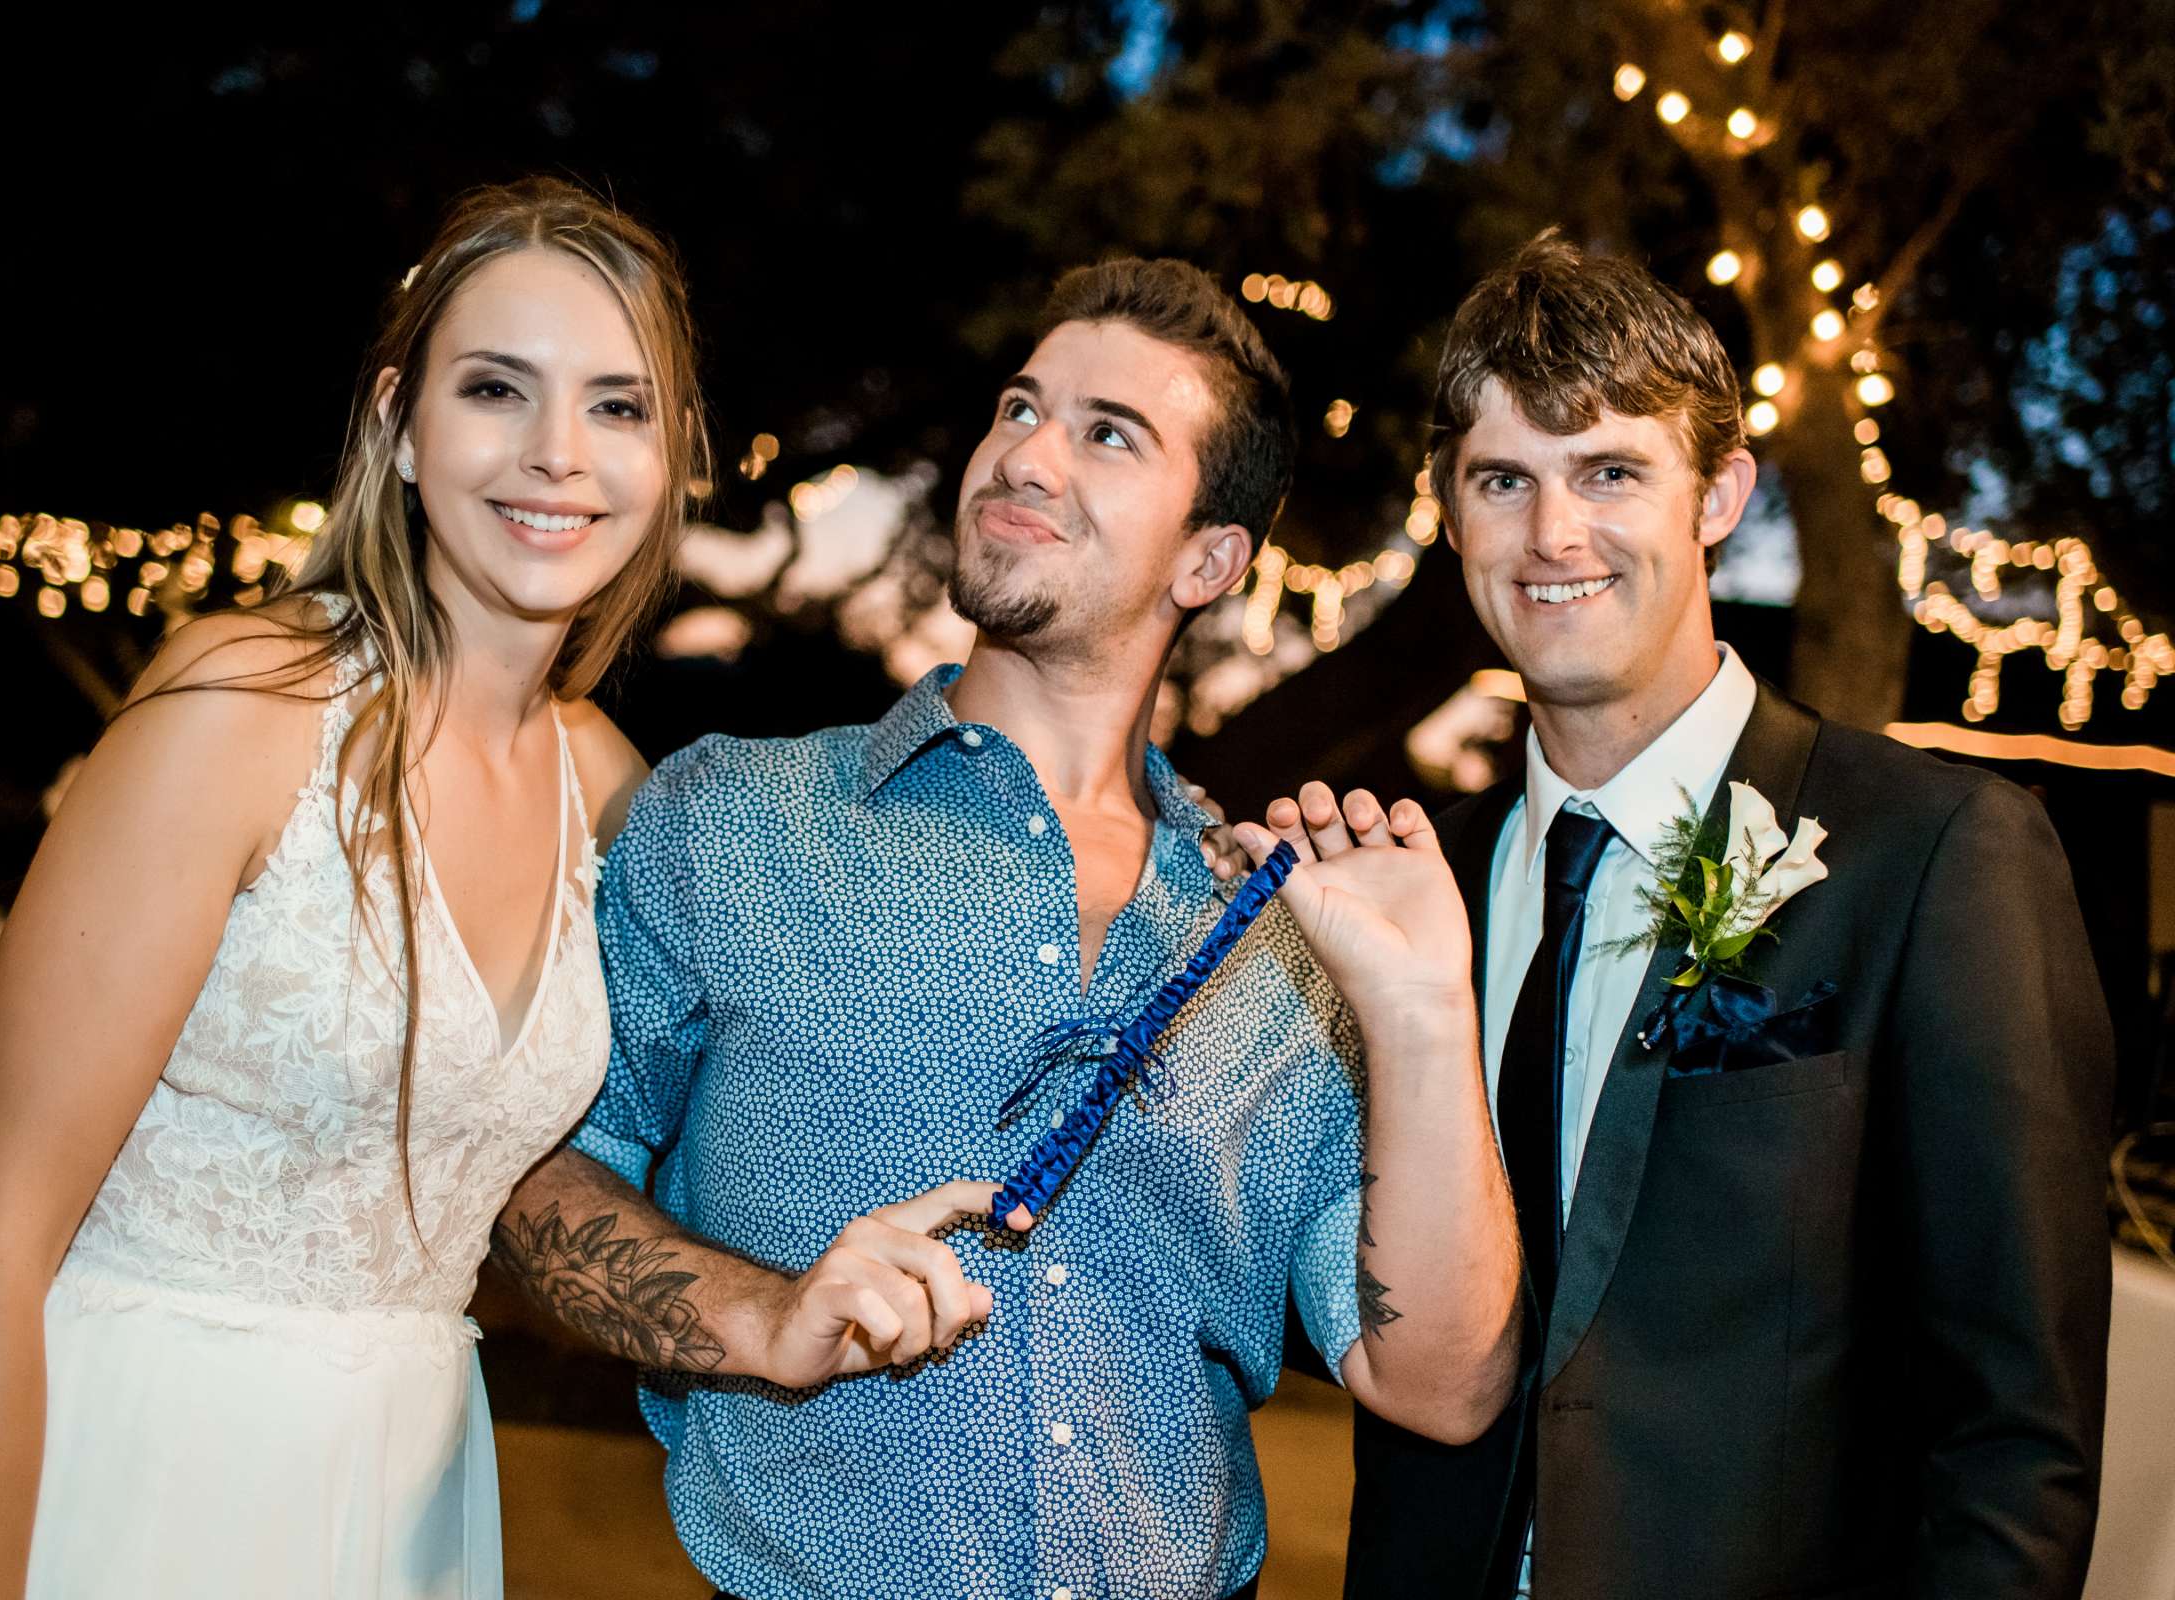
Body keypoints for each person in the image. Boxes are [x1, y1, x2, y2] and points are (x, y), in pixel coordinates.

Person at [492, 257, 1524, 1600]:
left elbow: (1441, 1386)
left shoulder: (1283, 940)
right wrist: (764, 1315)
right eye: (1018, 408)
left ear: (1209, 559)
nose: (1027, 455)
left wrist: (1428, 1013)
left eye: (1108, 434)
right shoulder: (726, 820)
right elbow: (538, 1186)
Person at [0, 177, 711, 1600]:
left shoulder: (610, 786)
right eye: (497, 389)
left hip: (401, 1497)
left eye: (617, 407)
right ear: (399, 427)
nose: (557, 454)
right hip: (117, 1470)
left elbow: (810, 982)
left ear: (675, 455)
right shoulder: (245, 707)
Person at [1332, 231, 2113, 1598]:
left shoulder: (1933, 857)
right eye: (1501, 481)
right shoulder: (1419, 893)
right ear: (1451, 515)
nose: (1551, 535)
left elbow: (2012, 1430)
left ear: (1720, 494)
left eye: (1610, 473)